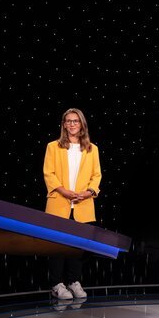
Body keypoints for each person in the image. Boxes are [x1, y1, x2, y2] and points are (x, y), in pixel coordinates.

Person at [43, 108, 102, 301]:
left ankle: (73, 281)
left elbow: (96, 175)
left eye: (75, 121)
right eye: (68, 121)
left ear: (82, 124)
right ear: (63, 125)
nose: (72, 124)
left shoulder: (92, 149)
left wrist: (88, 193)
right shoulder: (53, 146)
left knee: (77, 247)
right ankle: (56, 284)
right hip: (59, 202)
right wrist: (63, 191)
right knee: (57, 246)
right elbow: (48, 173)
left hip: (83, 204)